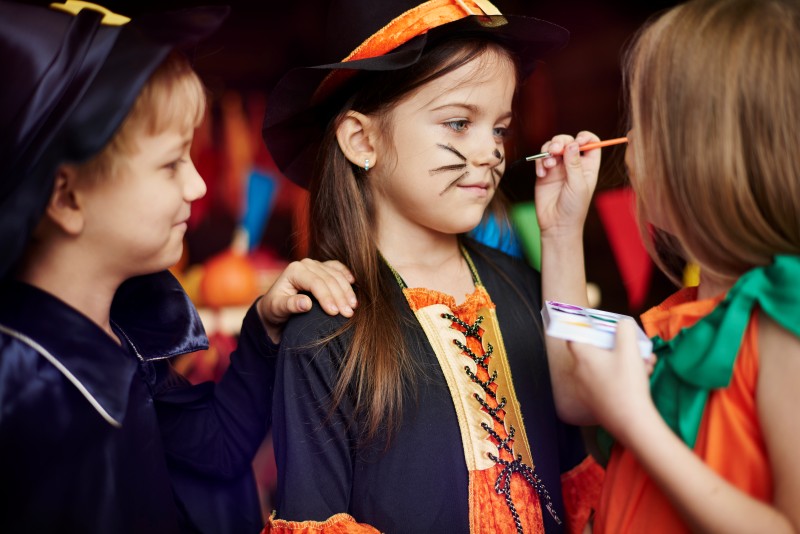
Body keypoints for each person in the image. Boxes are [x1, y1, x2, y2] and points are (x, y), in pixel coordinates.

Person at [0, 2, 356, 533]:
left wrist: (264, 326)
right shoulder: (24, 392)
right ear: (68, 197)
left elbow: (213, 449)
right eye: (171, 164)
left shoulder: (121, 336)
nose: (198, 186)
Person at [258, 1, 607, 532]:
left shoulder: (519, 284)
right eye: (460, 122)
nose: (490, 152)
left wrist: (562, 234)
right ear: (362, 140)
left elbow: (584, 399)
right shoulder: (323, 328)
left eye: (499, 129)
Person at [559, 0, 800, 532]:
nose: (627, 144)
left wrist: (635, 422)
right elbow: (573, 390)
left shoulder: (788, 314)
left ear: (702, 154)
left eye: (642, 123)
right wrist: (560, 230)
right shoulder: (676, 316)